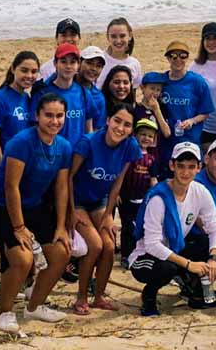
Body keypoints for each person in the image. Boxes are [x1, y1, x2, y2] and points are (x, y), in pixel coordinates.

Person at [0, 93, 73, 333]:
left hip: (31, 206)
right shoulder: (22, 141)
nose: (54, 121)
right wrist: (19, 228)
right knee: (23, 258)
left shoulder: (63, 146)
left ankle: (34, 306)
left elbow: (62, 187)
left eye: (59, 115)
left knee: (62, 252)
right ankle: (5, 312)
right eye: (48, 115)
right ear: (37, 116)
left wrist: (61, 226)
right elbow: (11, 187)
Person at [129, 142, 216, 316]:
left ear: (199, 168)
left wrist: (214, 257)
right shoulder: (159, 197)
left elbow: (214, 227)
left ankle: (194, 289)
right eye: (180, 166)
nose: (185, 172)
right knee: (167, 269)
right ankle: (149, 295)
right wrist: (188, 264)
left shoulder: (199, 191)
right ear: (172, 165)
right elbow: (152, 245)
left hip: (175, 249)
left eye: (191, 167)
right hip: (146, 256)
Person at [69, 102, 141, 314]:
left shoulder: (130, 146)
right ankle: (81, 296)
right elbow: (67, 177)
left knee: (109, 246)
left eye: (127, 125)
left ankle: (99, 296)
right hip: (78, 200)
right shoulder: (88, 142)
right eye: (117, 121)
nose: (120, 128)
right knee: (95, 245)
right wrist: (70, 210)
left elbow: (118, 181)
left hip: (100, 201)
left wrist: (109, 214)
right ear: (108, 120)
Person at [158, 41, 215, 179]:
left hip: (190, 140)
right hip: (167, 141)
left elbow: (206, 112)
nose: (178, 60)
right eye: (174, 56)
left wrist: (192, 121)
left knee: (189, 180)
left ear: (187, 58)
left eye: (182, 56)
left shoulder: (197, 82)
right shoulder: (161, 81)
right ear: (168, 58)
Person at [30, 43, 105, 147]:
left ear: (78, 65)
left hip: (77, 156)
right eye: (63, 61)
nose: (68, 66)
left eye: (73, 62)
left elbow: (89, 129)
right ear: (55, 63)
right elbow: (35, 126)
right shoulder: (43, 92)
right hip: (50, 154)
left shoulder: (84, 93)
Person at [118, 119, 160, 267]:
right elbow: (119, 175)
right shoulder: (128, 154)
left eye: (150, 136)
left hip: (142, 200)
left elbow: (153, 180)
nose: (146, 138)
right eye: (143, 134)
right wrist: (116, 193)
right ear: (135, 135)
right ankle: (125, 255)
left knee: (141, 226)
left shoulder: (152, 159)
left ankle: (137, 253)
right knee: (127, 226)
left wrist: (154, 197)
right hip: (126, 198)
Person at [0, 51, 39, 166]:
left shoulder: (27, 98)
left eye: (34, 72)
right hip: (5, 164)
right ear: (13, 69)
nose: (29, 76)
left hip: (23, 164)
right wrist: (0, 168)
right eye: (24, 70)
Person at [189, 22, 216, 149]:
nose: (211, 42)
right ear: (202, 41)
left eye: (215, 38)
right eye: (208, 38)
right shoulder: (195, 66)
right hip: (204, 126)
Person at [97, 17, 143, 88]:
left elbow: (132, 93)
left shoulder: (134, 64)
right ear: (107, 37)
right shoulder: (99, 58)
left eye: (122, 36)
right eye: (113, 36)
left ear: (130, 36)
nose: (118, 41)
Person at [134, 71, 171, 145]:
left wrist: (157, 110)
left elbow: (167, 133)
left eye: (158, 90)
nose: (155, 92)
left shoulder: (162, 108)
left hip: (155, 152)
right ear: (142, 88)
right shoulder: (136, 108)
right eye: (152, 88)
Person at [76, 46, 108, 130]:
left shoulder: (99, 97)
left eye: (98, 66)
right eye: (89, 63)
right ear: (79, 62)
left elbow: (97, 129)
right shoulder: (65, 86)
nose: (93, 69)